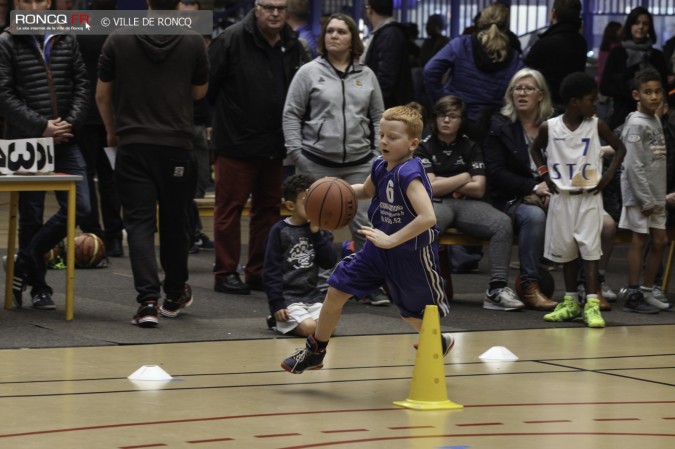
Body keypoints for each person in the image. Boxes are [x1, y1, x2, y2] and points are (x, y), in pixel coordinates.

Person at [281, 105, 452, 374]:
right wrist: (333, 191)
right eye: (382, 134)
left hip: (411, 254)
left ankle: (438, 339)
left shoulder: (410, 174)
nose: (384, 141)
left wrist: (391, 239)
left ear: (412, 143)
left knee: (412, 313)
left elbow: (428, 217)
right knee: (336, 290)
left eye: (392, 137)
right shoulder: (381, 166)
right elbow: (365, 190)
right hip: (377, 249)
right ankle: (315, 350)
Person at [96, 0, 209, 327]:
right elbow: (200, 92)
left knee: (139, 224)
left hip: (132, 144)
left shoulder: (118, 37)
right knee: (175, 222)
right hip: (176, 146)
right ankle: (174, 294)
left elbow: (102, 95)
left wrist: (112, 131)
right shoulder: (192, 39)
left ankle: (147, 303)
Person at [282, 13, 388, 305]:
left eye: (341, 31)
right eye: (329, 30)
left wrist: (378, 155)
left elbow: (379, 117)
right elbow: (292, 113)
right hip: (316, 161)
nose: (334, 35)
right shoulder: (308, 72)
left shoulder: (366, 75)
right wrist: (297, 154)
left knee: (367, 225)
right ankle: (319, 282)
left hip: (359, 162)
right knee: (317, 225)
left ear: (352, 38)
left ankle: (367, 284)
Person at [208, 0, 309, 295]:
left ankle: (258, 271)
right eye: (268, 6)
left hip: (274, 143)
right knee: (229, 209)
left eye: (280, 7)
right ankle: (225, 272)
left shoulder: (293, 44)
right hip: (235, 143)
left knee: (268, 210)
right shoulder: (231, 39)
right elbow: (208, 89)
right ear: (256, 8)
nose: (275, 13)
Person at [0, 0, 91, 310]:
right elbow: (3, 94)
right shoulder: (7, 41)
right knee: (31, 215)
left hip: (66, 138)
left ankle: (22, 262)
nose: (34, 6)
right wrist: (42, 126)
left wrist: (69, 123)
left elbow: (82, 83)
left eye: (40, 0)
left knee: (82, 207)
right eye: (26, 0)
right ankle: (40, 288)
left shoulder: (66, 35)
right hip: (28, 141)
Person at [530, 72, 626, 329]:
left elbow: (620, 148)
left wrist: (606, 179)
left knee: (590, 252)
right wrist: (544, 174)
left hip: (588, 198)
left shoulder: (596, 125)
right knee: (567, 252)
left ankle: (592, 303)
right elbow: (534, 149)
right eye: (591, 100)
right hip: (562, 197)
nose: (595, 104)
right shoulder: (550, 127)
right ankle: (571, 302)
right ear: (574, 102)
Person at [415, 95, 524, 312]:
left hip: (466, 204)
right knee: (429, 224)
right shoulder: (423, 147)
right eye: (442, 115)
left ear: (461, 120)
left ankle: (496, 290)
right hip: (436, 203)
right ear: (434, 119)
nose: (446, 120)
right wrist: (465, 176)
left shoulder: (470, 146)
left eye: (453, 116)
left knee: (502, 223)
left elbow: (479, 188)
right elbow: (431, 187)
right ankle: (425, 288)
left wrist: (446, 182)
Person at [482, 68, 558, 311]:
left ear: (541, 95)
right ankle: (529, 285)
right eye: (517, 88)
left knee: (581, 212)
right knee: (534, 216)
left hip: (553, 192)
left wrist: (554, 191)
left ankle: (587, 288)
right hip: (510, 198)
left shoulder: (556, 125)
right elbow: (495, 172)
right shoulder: (500, 125)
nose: (522, 93)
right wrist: (534, 187)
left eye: (528, 88)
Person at [423, 2, 523, 137]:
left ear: (480, 21)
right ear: (506, 27)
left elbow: (430, 71)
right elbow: (522, 85)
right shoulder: (514, 57)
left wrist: (443, 102)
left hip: (456, 119)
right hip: (491, 126)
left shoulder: (461, 44)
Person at [619, 68, 672, 313]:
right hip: (641, 196)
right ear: (636, 95)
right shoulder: (636, 124)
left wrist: (657, 196)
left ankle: (649, 290)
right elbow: (632, 165)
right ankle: (633, 292)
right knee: (639, 240)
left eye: (658, 92)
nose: (654, 97)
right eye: (648, 92)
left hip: (657, 192)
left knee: (660, 240)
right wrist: (644, 199)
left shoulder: (655, 118)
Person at [76, 0, 124, 258]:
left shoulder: (77, 24)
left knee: (87, 175)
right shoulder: (123, 27)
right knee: (110, 178)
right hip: (113, 114)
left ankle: (94, 233)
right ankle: (114, 236)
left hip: (85, 112)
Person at [263, 174, 337, 336]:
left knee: (328, 329)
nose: (313, 207)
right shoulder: (279, 231)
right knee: (310, 329)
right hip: (288, 299)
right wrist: (277, 304)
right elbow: (271, 271)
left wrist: (317, 234)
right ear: (291, 205)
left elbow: (329, 262)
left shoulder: (319, 228)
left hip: (313, 297)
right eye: (306, 202)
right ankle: (276, 320)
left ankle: (298, 320)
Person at [600, 6, 669, 130]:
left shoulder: (657, 56)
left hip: (653, 119)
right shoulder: (618, 53)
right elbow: (604, 87)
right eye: (636, 23)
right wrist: (628, 88)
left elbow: (664, 87)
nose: (641, 27)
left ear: (650, 28)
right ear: (629, 26)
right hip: (623, 116)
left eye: (645, 24)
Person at [524, 0, 587, 111]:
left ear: (553, 13)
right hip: (572, 106)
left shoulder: (543, 44)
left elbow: (527, 74)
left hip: (545, 106)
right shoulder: (581, 43)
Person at [361, 0, 413, 108]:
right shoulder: (386, 32)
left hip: (388, 109)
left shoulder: (389, 34)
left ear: (370, 10)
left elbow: (386, 78)